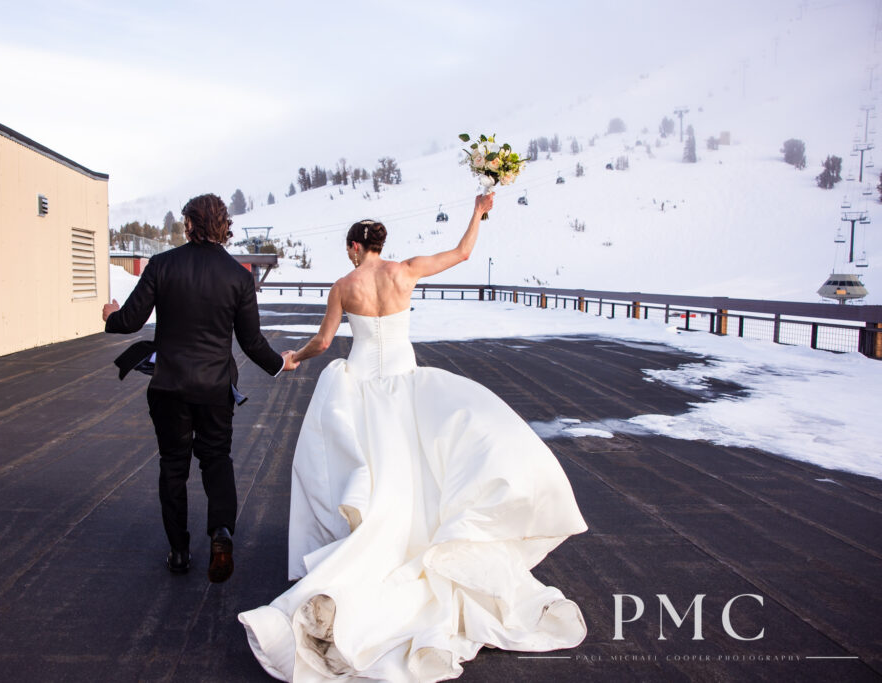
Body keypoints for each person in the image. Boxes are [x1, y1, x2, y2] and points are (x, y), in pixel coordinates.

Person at [238, 193, 589, 681]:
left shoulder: (344, 285)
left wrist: (295, 357)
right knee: (420, 468)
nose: (348, 255)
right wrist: (478, 212)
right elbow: (463, 254)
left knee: (358, 470)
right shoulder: (407, 271)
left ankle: (354, 543)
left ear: (358, 246)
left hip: (361, 386)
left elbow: (323, 341)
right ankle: (417, 537)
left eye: (348, 247)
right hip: (406, 383)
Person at [103, 194, 298, 583]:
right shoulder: (239, 276)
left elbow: (128, 321)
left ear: (189, 224)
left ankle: (178, 552)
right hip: (214, 389)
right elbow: (251, 342)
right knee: (216, 461)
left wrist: (110, 316)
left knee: (173, 467)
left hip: (169, 387)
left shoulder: (162, 265)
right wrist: (280, 363)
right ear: (223, 225)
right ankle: (221, 532)